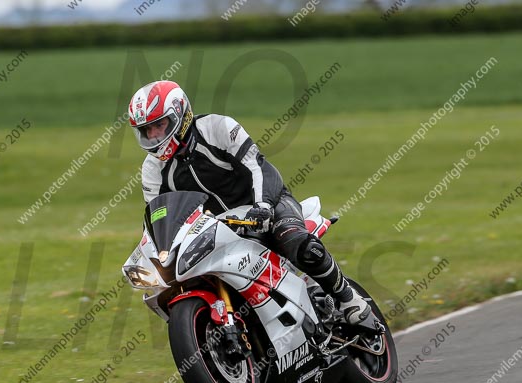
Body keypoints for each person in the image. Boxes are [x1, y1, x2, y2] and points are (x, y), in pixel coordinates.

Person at [128, 80, 369, 325]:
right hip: (217, 230)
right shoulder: (152, 169)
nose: (154, 135)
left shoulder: (218, 127)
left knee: (295, 239)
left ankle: (349, 299)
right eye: (147, 130)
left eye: (159, 125)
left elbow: (258, 166)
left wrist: (263, 206)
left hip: (265, 204)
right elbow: (159, 215)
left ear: (181, 114)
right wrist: (156, 254)